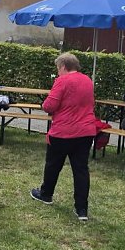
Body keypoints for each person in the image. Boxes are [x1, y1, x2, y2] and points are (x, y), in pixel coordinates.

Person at [29, 53, 97, 221]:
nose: (58, 72)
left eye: (58, 68)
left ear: (63, 67)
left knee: (53, 165)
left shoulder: (62, 80)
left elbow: (50, 105)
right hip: (86, 131)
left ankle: (46, 194)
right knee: (81, 170)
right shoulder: (88, 81)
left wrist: (44, 104)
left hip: (63, 131)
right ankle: (81, 209)